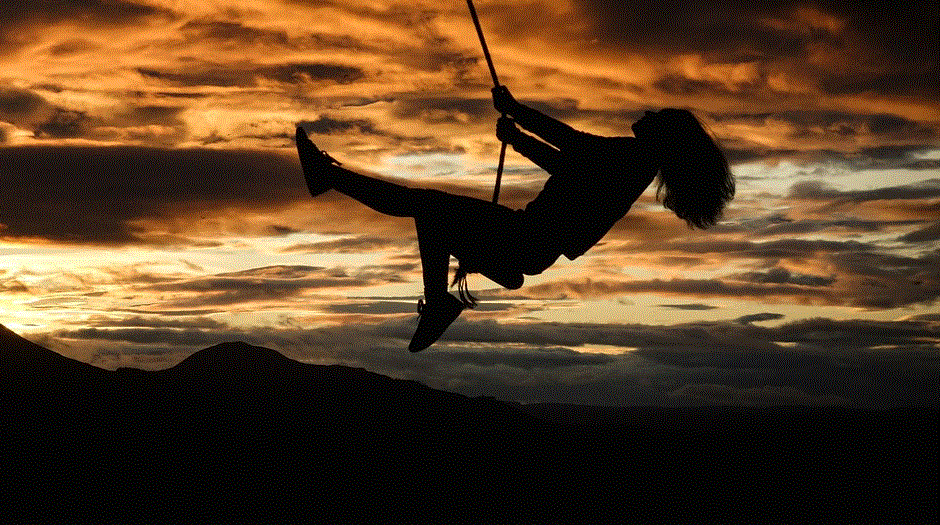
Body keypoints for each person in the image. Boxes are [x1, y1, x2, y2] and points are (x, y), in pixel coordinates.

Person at [296, 86, 735, 352]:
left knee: (427, 207)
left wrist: (517, 124)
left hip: (524, 237)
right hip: (528, 239)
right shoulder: (632, 163)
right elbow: (573, 153)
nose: (646, 115)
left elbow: (571, 150)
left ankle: (331, 180)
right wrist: (517, 123)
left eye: (656, 118)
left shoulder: (630, 159)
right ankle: (484, 271)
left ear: (664, 138)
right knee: (430, 212)